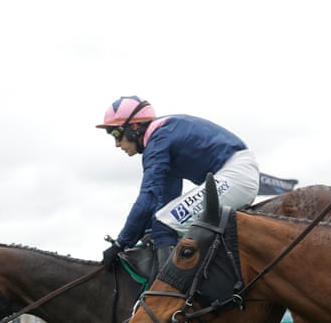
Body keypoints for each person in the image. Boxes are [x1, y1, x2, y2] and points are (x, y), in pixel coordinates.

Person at [97, 96, 260, 264]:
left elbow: (148, 198)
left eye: (116, 133)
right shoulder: (163, 136)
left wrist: (120, 243)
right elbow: (164, 201)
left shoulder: (158, 142)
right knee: (161, 224)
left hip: (237, 174)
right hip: (238, 173)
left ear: (135, 126)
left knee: (164, 226)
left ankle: (166, 288)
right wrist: (144, 233)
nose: (116, 143)